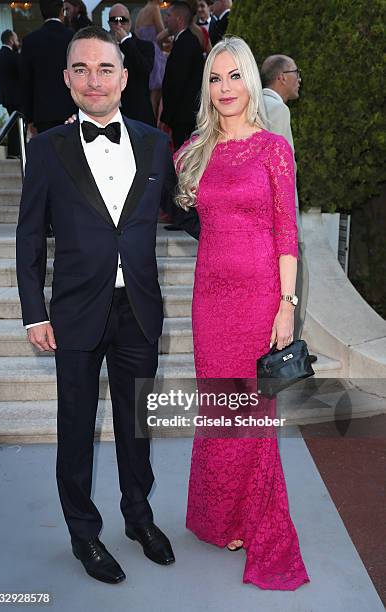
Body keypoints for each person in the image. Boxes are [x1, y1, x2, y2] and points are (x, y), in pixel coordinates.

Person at [16, 25, 175, 585]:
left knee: (136, 424)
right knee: (76, 428)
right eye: (80, 69)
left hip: (139, 310)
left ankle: (139, 517)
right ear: (66, 78)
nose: (93, 79)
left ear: (124, 77)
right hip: (76, 313)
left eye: (105, 68)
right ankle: (84, 532)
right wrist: (35, 311)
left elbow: (182, 211)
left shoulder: (155, 143)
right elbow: (30, 237)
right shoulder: (47, 148)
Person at [172, 37, 310, 589]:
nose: (224, 89)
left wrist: (287, 305)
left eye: (233, 76)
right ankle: (217, 515)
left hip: (257, 297)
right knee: (219, 407)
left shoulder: (274, 148)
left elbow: (286, 234)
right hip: (209, 297)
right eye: (214, 78)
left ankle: (252, 517)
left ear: (251, 80)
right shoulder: (195, 150)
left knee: (252, 414)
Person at [261, 54, 310, 343]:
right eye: (296, 72)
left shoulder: (256, 105)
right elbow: (283, 173)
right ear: (281, 77)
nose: (299, 78)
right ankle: (289, 351)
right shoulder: (277, 110)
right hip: (281, 219)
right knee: (296, 281)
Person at [20, 0, 77, 135]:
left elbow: (26, 82)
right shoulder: (73, 37)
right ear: (61, 11)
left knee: (47, 154)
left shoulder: (30, 41)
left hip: (43, 113)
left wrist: (28, 118)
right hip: (71, 110)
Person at [161, 1, 204, 150]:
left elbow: (177, 83)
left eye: (168, 15)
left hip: (184, 117)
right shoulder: (185, 41)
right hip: (183, 115)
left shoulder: (185, 43)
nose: (165, 19)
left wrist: (166, 116)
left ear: (179, 19)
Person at [108, 3, 156, 126]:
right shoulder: (103, 48)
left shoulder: (145, 46)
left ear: (129, 23)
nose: (119, 25)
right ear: (109, 23)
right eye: (114, 20)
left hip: (138, 114)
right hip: (110, 113)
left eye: (123, 20)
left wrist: (125, 42)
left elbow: (145, 69)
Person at [0, 30, 21, 158]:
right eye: (16, 39)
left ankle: (14, 151)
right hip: (18, 96)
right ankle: (15, 152)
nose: (17, 42)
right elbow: (22, 75)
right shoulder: (15, 56)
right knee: (18, 124)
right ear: (11, 40)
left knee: (13, 123)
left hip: (5, 96)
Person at [135, 0, 167, 119]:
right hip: (155, 55)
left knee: (148, 98)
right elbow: (161, 32)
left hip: (143, 55)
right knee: (156, 98)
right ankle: (155, 128)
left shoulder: (141, 12)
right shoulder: (154, 8)